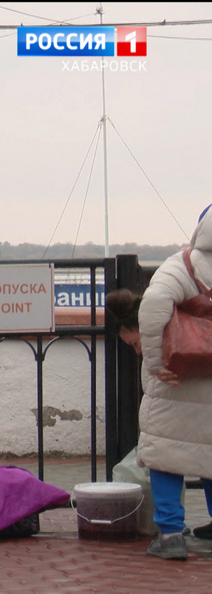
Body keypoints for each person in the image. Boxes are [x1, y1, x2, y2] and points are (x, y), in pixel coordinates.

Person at [106, 204, 212, 561]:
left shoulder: (184, 264)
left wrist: (154, 362)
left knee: (167, 453)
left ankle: (170, 535)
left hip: (177, 374)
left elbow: (152, 305)